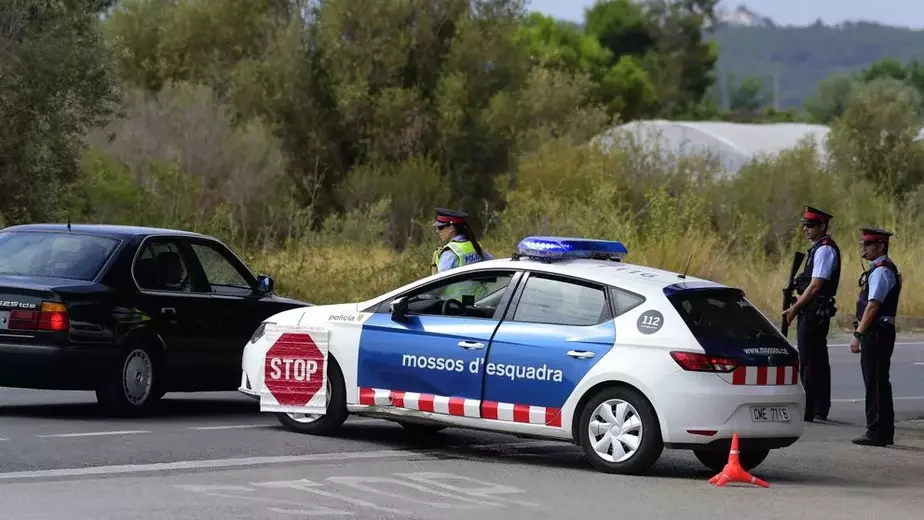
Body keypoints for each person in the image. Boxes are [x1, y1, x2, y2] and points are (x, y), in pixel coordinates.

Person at [782, 206, 840, 422]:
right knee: (817, 358)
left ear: (822, 226)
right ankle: (819, 407)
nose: (806, 229)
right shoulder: (818, 248)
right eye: (805, 225)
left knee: (809, 359)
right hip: (814, 309)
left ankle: (809, 409)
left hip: (815, 310)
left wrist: (794, 309)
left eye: (811, 226)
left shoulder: (824, 250)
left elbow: (816, 286)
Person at [850, 227, 901, 447]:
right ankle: (881, 430)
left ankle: (877, 431)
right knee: (877, 381)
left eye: (869, 245)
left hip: (877, 333)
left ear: (880, 246)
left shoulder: (881, 270)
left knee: (876, 382)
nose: (865, 248)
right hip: (878, 332)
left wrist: (857, 334)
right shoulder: (879, 268)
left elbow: (872, 307)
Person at [430, 208, 493, 275]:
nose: (437, 231)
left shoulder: (449, 253)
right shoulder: (475, 244)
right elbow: (493, 264)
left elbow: (439, 283)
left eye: (440, 227)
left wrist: (433, 265)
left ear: (451, 228)